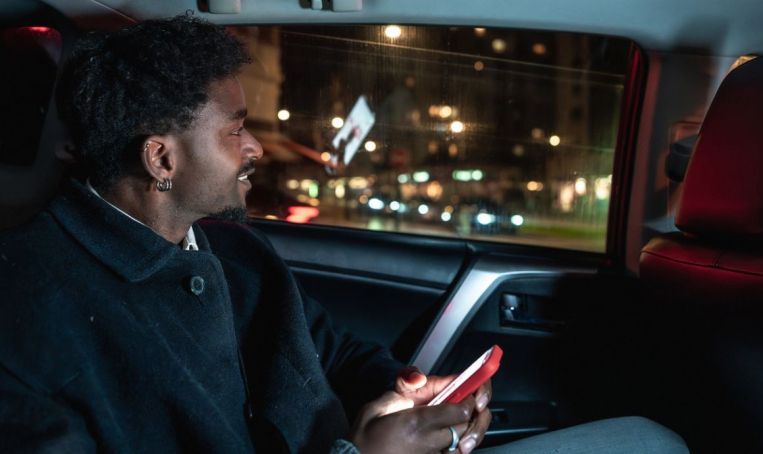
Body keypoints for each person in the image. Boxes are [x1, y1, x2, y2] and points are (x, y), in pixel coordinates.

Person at [0, 15, 687, 454]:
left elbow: (330, 349)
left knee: (648, 441)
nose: (255, 149)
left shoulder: (234, 249)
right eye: (236, 130)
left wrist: (409, 393)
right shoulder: (25, 314)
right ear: (161, 159)